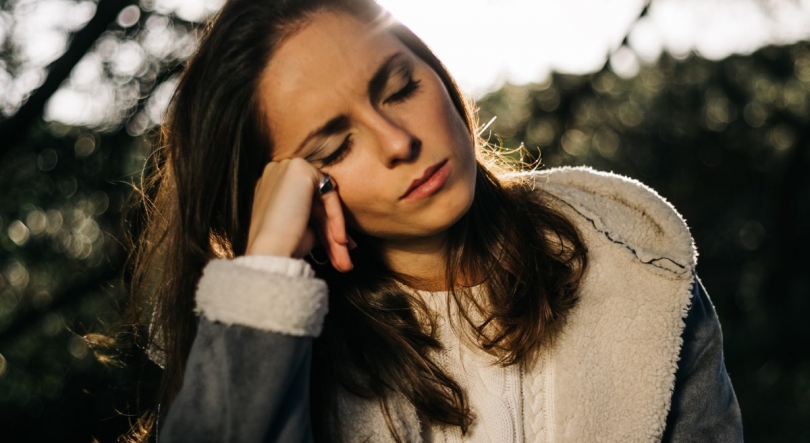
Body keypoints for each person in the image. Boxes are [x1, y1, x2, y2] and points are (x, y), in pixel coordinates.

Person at [125, 0, 743, 441]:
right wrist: (265, 276)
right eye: (335, 147)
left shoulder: (637, 267)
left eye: (399, 89)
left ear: (437, 73)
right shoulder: (280, 355)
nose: (399, 142)